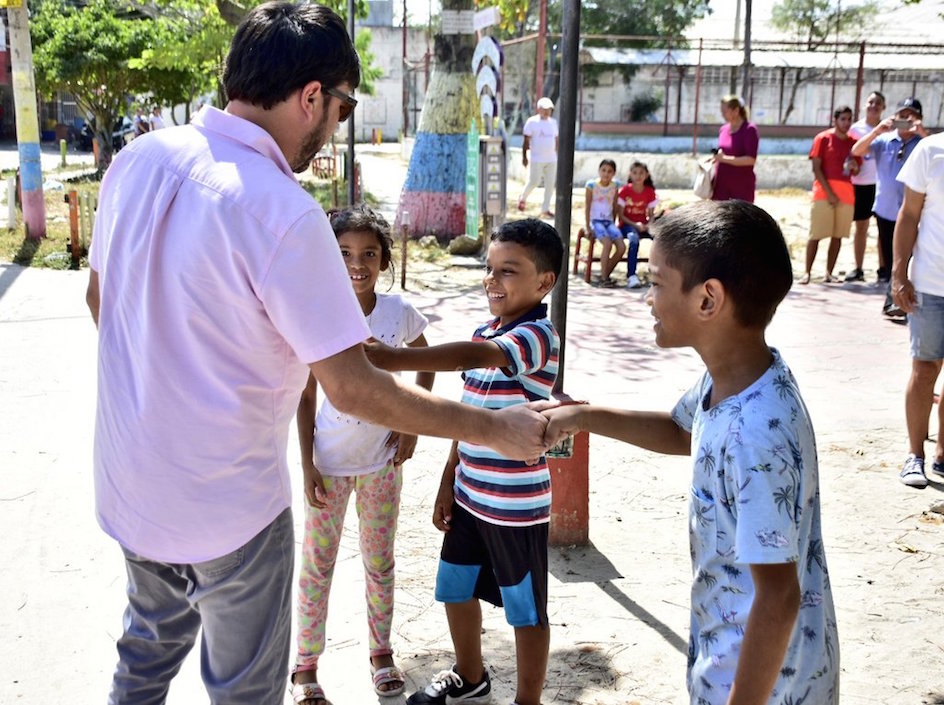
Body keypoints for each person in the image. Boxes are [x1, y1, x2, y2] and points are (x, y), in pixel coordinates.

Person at [84, 4, 548, 704]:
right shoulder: (281, 209)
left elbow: (101, 300)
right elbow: (355, 387)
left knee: (144, 658)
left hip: (130, 485)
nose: (337, 125)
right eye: (342, 108)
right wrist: (494, 428)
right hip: (229, 508)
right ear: (312, 98)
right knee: (244, 688)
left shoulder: (138, 160)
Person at [540, 200, 840, 705]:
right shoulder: (736, 378)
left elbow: (778, 594)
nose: (647, 298)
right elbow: (683, 433)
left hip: (766, 685)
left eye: (656, 283)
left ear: (708, 300)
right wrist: (584, 416)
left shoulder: (755, 434)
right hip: (735, 661)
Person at [366, 219, 563, 705]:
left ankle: (527, 700)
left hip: (515, 507)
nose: (492, 280)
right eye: (489, 268)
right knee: (455, 588)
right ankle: (470, 677)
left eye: (508, 271)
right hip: (471, 495)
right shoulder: (485, 330)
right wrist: (446, 483)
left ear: (545, 282)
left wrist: (389, 358)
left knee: (526, 609)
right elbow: (468, 418)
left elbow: (476, 356)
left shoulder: (537, 336)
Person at [293, 204, 435, 704]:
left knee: (380, 563)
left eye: (370, 253)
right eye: (346, 253)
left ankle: (380, 654)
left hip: (380, 467)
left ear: (384, 260)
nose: (358, 263)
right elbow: (306, 393)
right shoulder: (317, 311)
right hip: (328, 468)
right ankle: (305, 666)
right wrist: (307, 461)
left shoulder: (397, 313)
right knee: (318, 567)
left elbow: (425, 356)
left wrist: (412, 425)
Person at [890, 128, 944, 489]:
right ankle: (915, 455)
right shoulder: (930, 150)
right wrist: (898, 273)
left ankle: (942, 452)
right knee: (924, 370)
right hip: (930, 282)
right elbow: (909, 214)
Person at [850, 96, 929, 319]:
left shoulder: (923, 145)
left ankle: (901, 301)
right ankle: (894, 299)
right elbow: (857, 150)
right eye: (902, 115)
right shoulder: (885, 140)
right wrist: (877, 130)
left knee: (911, 257)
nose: (906, 120)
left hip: (914, 212)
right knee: (891, 258)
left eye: (911, 116)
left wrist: (921, 132)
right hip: (885, 209)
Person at [801, 105, 858, 285]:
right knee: (816, 234)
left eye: (849, 119)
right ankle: (807, 272)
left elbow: (856, 168)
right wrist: (829, 193)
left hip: (846, 194)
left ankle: (829, 273)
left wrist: (855, 167)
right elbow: (816, 168)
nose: (846, 123)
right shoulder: (823, 139)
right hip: (823, 193)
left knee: (837, 236)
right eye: (843, 119)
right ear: (835, 120)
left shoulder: (854, 142)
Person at [845, 91, 886, 282]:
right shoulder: (856, 129)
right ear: (865, 105)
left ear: (883, 108)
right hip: (861, 184)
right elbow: (849, 155)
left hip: (882, 185)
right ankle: (858, 268)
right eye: (871, 102)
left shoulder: (889, 129)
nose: (874, 106)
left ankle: (883, 268)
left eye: (878, 103)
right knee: (861, 227)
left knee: (883, 229)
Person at [617, 160, 659, 289]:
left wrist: (648, 224)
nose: (638, 176)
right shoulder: (625, 191)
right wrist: (636, 225)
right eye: (635, 173)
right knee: (633, 239)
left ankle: (657, 274)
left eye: (641, 173)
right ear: (630, 174)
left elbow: (651, 214)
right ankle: (631, 275)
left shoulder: (649, 191)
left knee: (660, 239)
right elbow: (621, 215)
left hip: (644, 225)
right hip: (627, 225)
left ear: (646, 175)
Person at [711, 94, 759, 203]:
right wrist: (715, 158)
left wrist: (724, 159)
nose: (722, 114)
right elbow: (723, 152)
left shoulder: (749, 130)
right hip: (721, 186)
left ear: (736, 111)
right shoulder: (723, 129)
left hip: (741, 187)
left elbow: (750, 160)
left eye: (724, 111)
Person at [518, 97, 559, 219]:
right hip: (537, 158)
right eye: (544, 109)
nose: (547, 112)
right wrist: (524, 156)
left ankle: (545, 209)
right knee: (534, 181)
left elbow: (556, 139)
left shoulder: (553, 123)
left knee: (550, 184)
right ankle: (522, 197)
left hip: (551, 159)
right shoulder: (532, 122)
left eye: (549, 109)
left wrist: (557, 153)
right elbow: (526, 141)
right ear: (539, 109)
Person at [585, 158, 623, 287]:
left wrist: (614, 221)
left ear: (614, 173)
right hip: (596, 221)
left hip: (609, 222)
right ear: (599, 171)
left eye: (610, 171)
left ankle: (604, 274)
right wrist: (588, 227)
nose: (606, 174)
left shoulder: (615, 185)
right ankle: (604, 278)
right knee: (607, 244)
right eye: (604, 170)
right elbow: (587, 205)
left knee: (621, 247)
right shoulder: (592, 185)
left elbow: (615, 204)